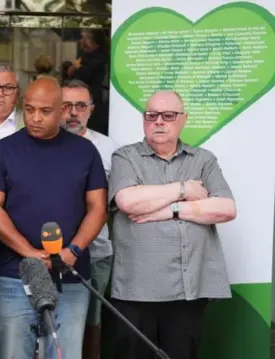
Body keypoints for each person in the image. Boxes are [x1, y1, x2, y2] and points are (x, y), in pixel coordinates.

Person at [0, 77, 108, 359]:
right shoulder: (2, 151)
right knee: (14, 354)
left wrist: (73, 251)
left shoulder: (85, 151)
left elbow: (98, 208)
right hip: (15, 274)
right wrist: (30, 253)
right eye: (29, 109)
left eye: (45, 111)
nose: (35, 118)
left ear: (62, 111)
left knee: (66, 354)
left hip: (70, 275)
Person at [109, 90, 237, 359]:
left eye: (168, 116)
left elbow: (226, 208)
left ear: (183, 120)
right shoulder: (126, 157)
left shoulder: (203, 160)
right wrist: (184, 188)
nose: (159, 121)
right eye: (151, 115)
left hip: (187, 290)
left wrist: (172, 210)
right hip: (136, 289)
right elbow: (128, 201)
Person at [60, 79, 118, 359]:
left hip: (96, 253)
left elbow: (118, 203)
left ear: (91, 110)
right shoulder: (42, 144)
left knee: (91, 324)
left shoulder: (109, 149)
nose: (73, 112)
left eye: (80, 106)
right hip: (50, 251)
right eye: (66, 105)